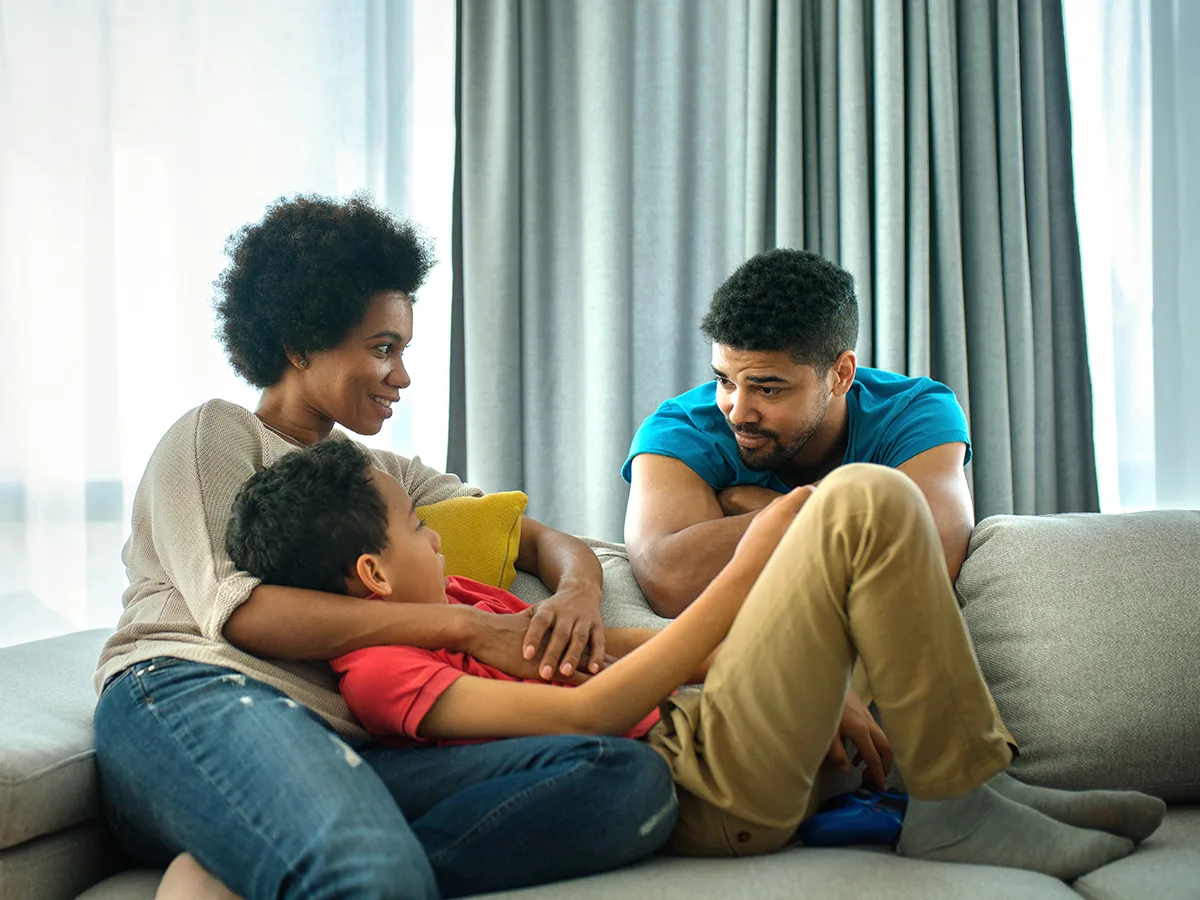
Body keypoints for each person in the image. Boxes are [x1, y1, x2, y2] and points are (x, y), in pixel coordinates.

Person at [225, 438, 1166, 882]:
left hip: (716, 731)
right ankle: (957, 808)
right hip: (704, 787)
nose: (441, 542)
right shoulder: (387, 674)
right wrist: (748, 569)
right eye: (421, 530)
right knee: (856, 502)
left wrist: (796, 682)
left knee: (859, 516)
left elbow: (609, 653)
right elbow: (582, 720)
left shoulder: (456, 604)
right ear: (371, 573)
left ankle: (962, 788)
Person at [92, 195, 678, 900]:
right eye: (382, 349)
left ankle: (259, 864)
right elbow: (242, 614)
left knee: (625, 777)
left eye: (402, 350)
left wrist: (578, 591)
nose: (402, 375)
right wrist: (464, 626)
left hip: (346, 744)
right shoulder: (215, 434)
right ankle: (331, 862)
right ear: (300, 344)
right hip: (195, 698)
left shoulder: (383, 476)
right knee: (370, 870)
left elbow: (538, 540)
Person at [623, 248, 977, 620]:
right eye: (724, 380)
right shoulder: (681, 429)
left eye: (768, 389)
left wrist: (761, 506)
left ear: (840, 374)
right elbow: (672, 585)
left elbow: (924, 568)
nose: (737, 412)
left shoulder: (915, 412)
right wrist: (858, 519)